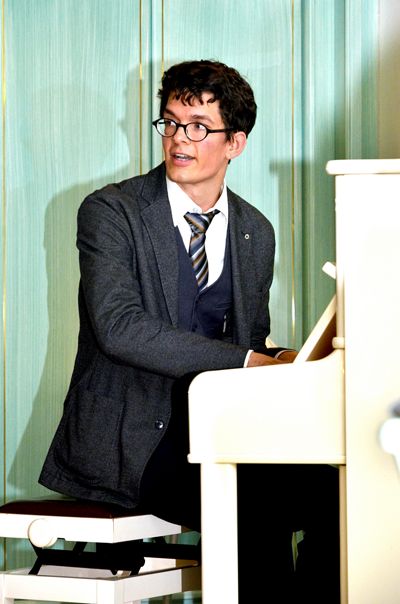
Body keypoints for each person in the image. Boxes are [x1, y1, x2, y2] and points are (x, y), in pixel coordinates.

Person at [39, 59, 339, 602]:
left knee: (339, 492)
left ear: (235, 143)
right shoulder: (111, 212)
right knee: (257, 503)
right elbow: (120, 329)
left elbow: (247, 341)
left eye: (199, 126)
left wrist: (287, 358)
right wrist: (250, 360)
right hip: (132, 439)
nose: (179, 138)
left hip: (219, 430)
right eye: (172, 122)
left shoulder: (255, 230)